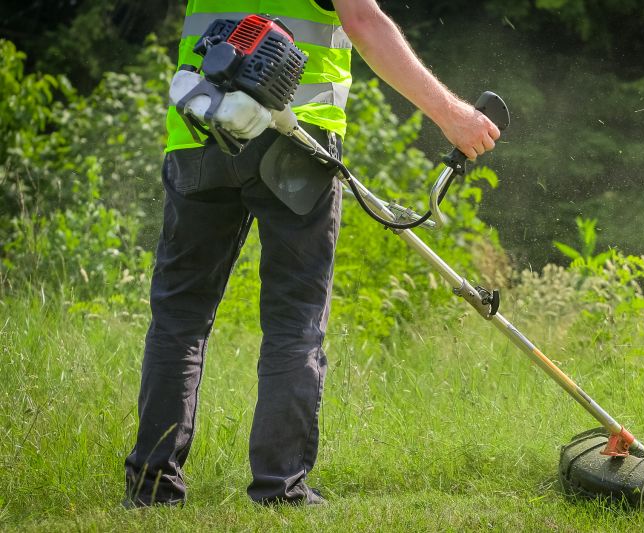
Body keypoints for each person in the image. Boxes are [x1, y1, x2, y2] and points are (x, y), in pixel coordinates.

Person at [124, 0, 500, 507]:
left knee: (178, 318)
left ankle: (151, 488)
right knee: (294, 319)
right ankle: (280, 490)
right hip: (293, 141)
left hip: (198, 132)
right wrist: (452, 115)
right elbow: (363, 22)